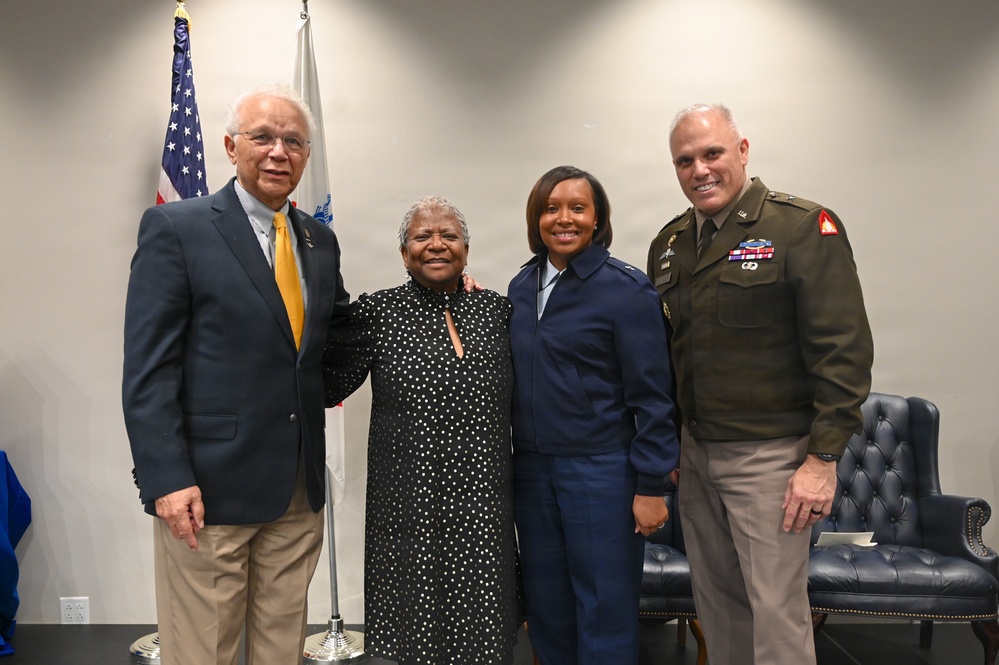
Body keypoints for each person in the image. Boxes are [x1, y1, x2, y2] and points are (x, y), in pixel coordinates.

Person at [122, 83, 352, 665]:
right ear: (230, 146)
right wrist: (166, 479)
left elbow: (342, 335)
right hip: (208, 493)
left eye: (294, 142)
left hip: (297, 493)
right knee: (206, 652)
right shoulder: (177, 228)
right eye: (263, 137)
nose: (279, 152)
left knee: (280, 652)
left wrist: (446, 295)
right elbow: (149, 370)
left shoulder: (318, 240)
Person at [647, 104, 875, 665]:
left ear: (742, 151)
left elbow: (842, 352)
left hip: (771, 459)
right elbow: (667, 355)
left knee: (775, 613)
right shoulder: (671, 244)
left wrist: (822, 461)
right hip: (696, 455)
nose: (699, 169)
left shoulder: (800, 227)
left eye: (712, 153)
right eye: (684, 160)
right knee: (719, 607)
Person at [322, 196, 520, 665]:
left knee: (483, 630)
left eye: (449, 235)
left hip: (483, 501)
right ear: (404, 254)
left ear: (466, 251)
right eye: (422, 236)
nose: (436, 244)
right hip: (408, 504)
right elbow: (326, 380)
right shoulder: (378, 314)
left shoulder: (498, 312)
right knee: (414, 629)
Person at [508, 165, 680, 664]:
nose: (564, 219)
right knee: (547, 607)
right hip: (533, 470)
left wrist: (651, 486)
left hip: (601, 470)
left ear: (598, 218)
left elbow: (654, 396)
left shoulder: (625, 289)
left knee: (604, 607)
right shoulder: (522, 285)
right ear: (536, 217)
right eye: (551, 208)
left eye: (578, 208)